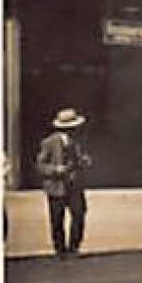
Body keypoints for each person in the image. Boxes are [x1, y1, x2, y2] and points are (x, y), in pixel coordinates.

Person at [36, 108, 92, 259]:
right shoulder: (49, 143)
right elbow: (40, 165)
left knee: (79, 214)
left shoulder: (78, 142)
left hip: (74, 185)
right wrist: (55, 170)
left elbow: (82, 158)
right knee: (57, 219)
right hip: (56, 187)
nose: (75, 130)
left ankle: (74, 247)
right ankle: (60, 250)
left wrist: (84, 162)